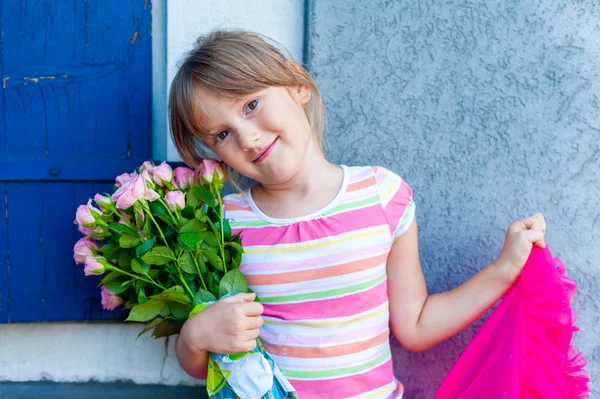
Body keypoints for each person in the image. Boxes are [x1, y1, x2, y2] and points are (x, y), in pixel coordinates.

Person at [169, 30, 547, 398]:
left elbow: (415, 326)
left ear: (297, 84)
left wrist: (503, 270)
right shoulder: (223, 224)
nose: (248, 138)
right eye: (221, 134)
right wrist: (195, 336)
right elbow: (211, 363)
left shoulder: (381, 196)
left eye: (251, 105)